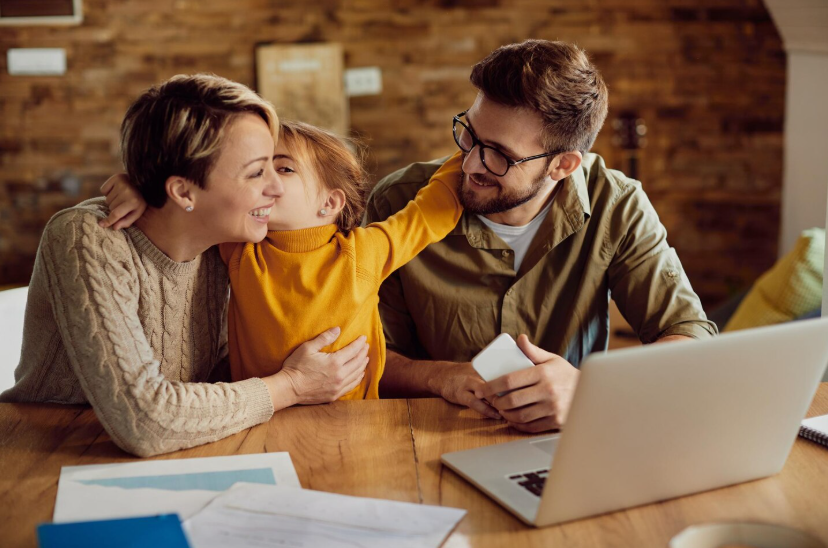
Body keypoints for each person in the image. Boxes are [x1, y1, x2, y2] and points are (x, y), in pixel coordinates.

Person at [0, 74, 370, 457]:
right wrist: (291, 385)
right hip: (46, 453)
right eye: (258, 172)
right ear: (182, 191)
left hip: (183, 450)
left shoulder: (223, 242)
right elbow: (144, 421)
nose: (275, 189)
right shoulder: (87, 237)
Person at [365, 39, 718, 433]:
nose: (469, 163)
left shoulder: (617, 205)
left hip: (569, 439)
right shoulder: (398, 200)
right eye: (469, 134)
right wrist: (439, 376)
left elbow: (689, 336)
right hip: (425, 437)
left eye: (499, 153)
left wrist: (587, 388)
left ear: (562, 165)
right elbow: (365, 355)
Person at [98, 121, 464, 399]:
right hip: (259, 413)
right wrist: (138, 187)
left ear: (330, 203)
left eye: (284, 169)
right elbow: (188, 202)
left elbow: (432, 210)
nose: (266, 182)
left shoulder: (365, 252)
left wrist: (472, 148)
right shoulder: (241, 247)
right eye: (258, 170)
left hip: (356, 419)